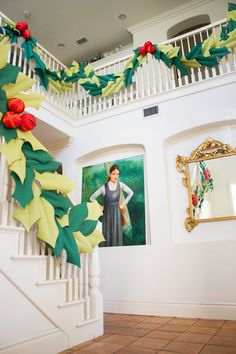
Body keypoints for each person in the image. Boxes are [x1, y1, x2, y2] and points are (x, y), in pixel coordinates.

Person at [90, 164, 133, 247]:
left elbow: (131, 193)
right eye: (113, 174)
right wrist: (100, 206)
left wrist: (123, 204)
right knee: (106, 235)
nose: (116, 176)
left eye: (117, 174)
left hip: (117, 214)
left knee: (116, 235)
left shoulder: (120, 185)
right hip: (106, 216)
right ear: (109, 174)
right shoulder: (104, 187)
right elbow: (92, 198)